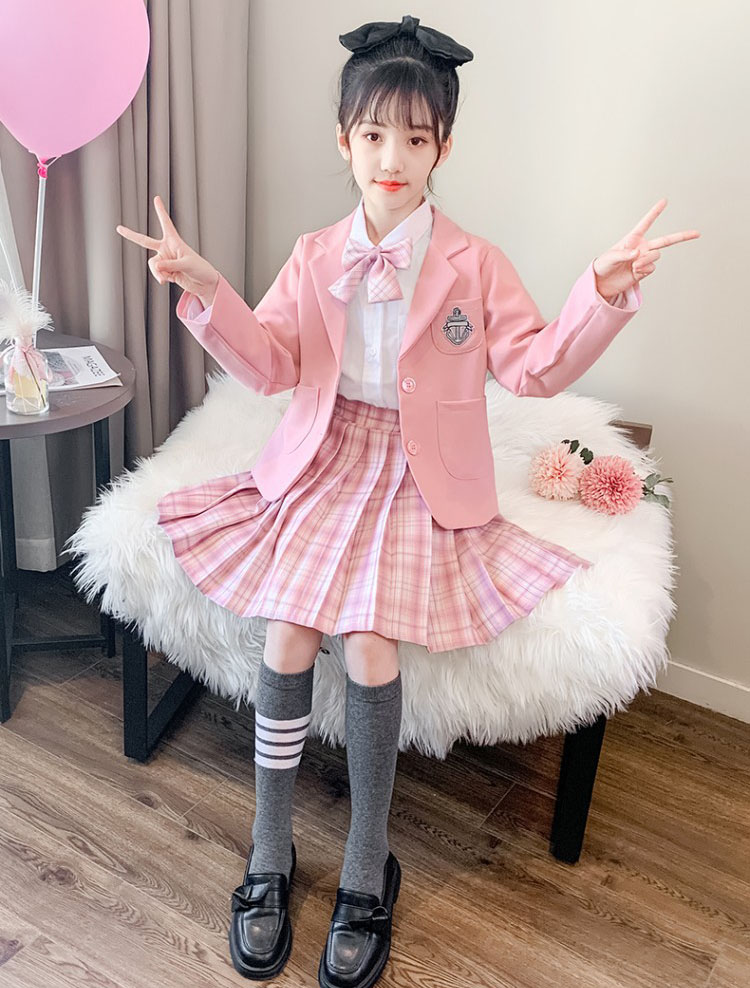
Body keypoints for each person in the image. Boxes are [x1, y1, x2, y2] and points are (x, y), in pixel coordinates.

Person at [116, 14, 699, 988]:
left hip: (423, 472)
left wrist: (599, 292)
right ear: (344, 141)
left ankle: (364, 864)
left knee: (372, 643)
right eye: (374, 135)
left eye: (416, 138)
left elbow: (534, 366)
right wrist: (207, 287)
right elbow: (269, 366)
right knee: (286, 635)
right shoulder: (315, 254)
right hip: (325, 454)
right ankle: (268, 850)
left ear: (443, 149)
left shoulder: (475, 263)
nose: (393, 158)